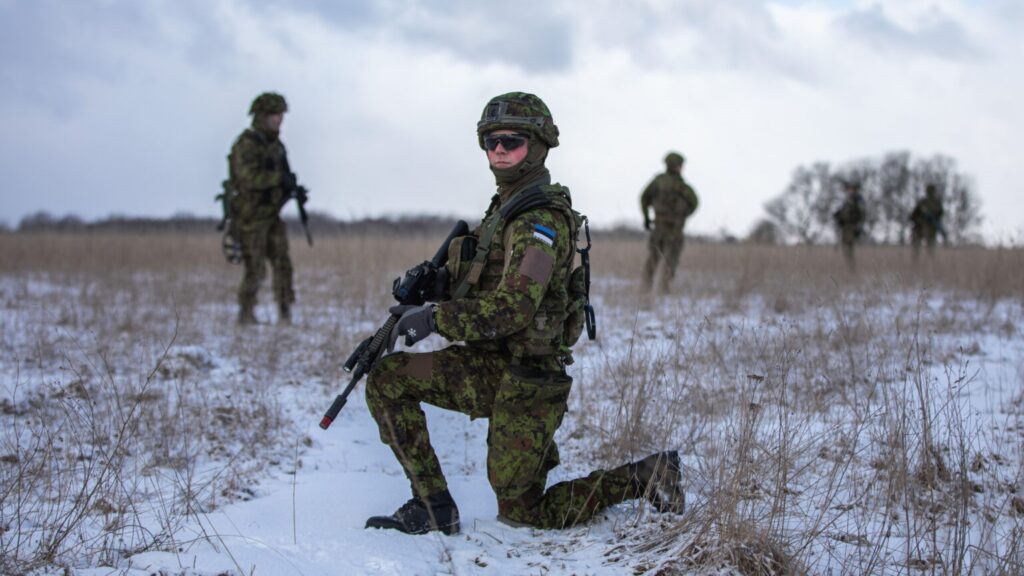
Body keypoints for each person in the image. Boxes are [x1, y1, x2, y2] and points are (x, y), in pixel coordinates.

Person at [363, 92, 685, 535]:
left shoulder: (539, 222)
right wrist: (435, 286)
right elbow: (487, 280)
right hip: (490, 364)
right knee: (388, 379)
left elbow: (513, 309)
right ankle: (432, 505)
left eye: (511, 141)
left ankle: (646, 476)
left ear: (538, 146)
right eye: (490, 141)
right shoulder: (505, 208)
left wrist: (435, 319)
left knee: (524, 512)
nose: (498, 150)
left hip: (529, 378)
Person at [227, 92, 305, 325]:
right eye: (274, 114)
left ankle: (285, 312)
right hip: (250, 217)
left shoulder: (277, 146)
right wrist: (277, 179)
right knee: (256, 268)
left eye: (281, 114)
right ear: (261, 116)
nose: (279, 119)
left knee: (283, 265)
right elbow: (247, 178)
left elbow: (282, 177)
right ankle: (246, 313)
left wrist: (292, 189)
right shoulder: (247, 144)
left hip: (272, 216)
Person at [640, 152, 699, 292]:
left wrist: (646, 218)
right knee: (671, 260)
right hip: (675, 229)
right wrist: (684, 216)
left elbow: (643, 198)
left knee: (653, 259)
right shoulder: (682, 186)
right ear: (677, 166)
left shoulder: (657, 183)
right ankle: (664, 289)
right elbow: (694, 202)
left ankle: (645, 289)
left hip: (658, 228)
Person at [832, 180, 866, 271]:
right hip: (845, 227)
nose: (849, 191)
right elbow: (843, 212)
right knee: (845, 247)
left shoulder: (857, 200)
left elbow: (861, 214)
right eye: (848, 189)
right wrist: (838, 215)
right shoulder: (847, 201)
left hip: (852, 227)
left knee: (849, 247)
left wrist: (859, 226)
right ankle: (850, 267)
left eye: (851, 189)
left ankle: (852, 268)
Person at [909, 184, 945, 260]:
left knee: (930, 247)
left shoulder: (936, 203)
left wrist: (933, 218)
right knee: (917, 247)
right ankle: (917, 261)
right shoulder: (923, 202)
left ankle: (929, 262)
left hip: (930, 228)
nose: (930, 193)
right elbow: (913, 215)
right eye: (929, 191)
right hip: (920, 227)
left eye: (931, 191)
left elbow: (940, 214)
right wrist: (919, 219)